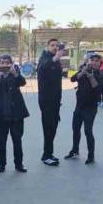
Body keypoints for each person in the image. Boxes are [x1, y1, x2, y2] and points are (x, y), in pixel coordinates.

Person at [0, 54, 29, 173]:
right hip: (1, 114)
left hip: (16, 113)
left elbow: (23, 82)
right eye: (2, 62)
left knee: (17, 140)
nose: (5, 65)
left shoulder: (15, 75)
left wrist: (15, 73)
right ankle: (1, 164)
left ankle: (19, 164)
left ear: (11, 64)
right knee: (1, 142)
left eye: (7, 62)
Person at [65, 52, 103, 164]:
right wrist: (82, 72)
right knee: (75, 129)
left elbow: (98, 91)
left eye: (97, 61)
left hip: (90, 108)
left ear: (100, 63)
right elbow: (72, 79)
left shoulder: (101, 75)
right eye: (92, 60)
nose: (94, 63)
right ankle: (75, 150)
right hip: (79, 106)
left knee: (88, 131)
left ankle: (91, 155)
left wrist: (91, 77)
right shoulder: (83, 70)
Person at [37, 38, 64, 166]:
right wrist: (55, 58)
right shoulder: (45, 58)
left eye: (57, 46)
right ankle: (46, 155)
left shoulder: (55, 60)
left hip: (55, 101)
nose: (55, 47)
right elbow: (43, 67)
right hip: (46, 101)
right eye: (52, 45)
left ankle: (49, 153)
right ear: (47, 46)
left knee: (53, 128)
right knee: (48, 128)